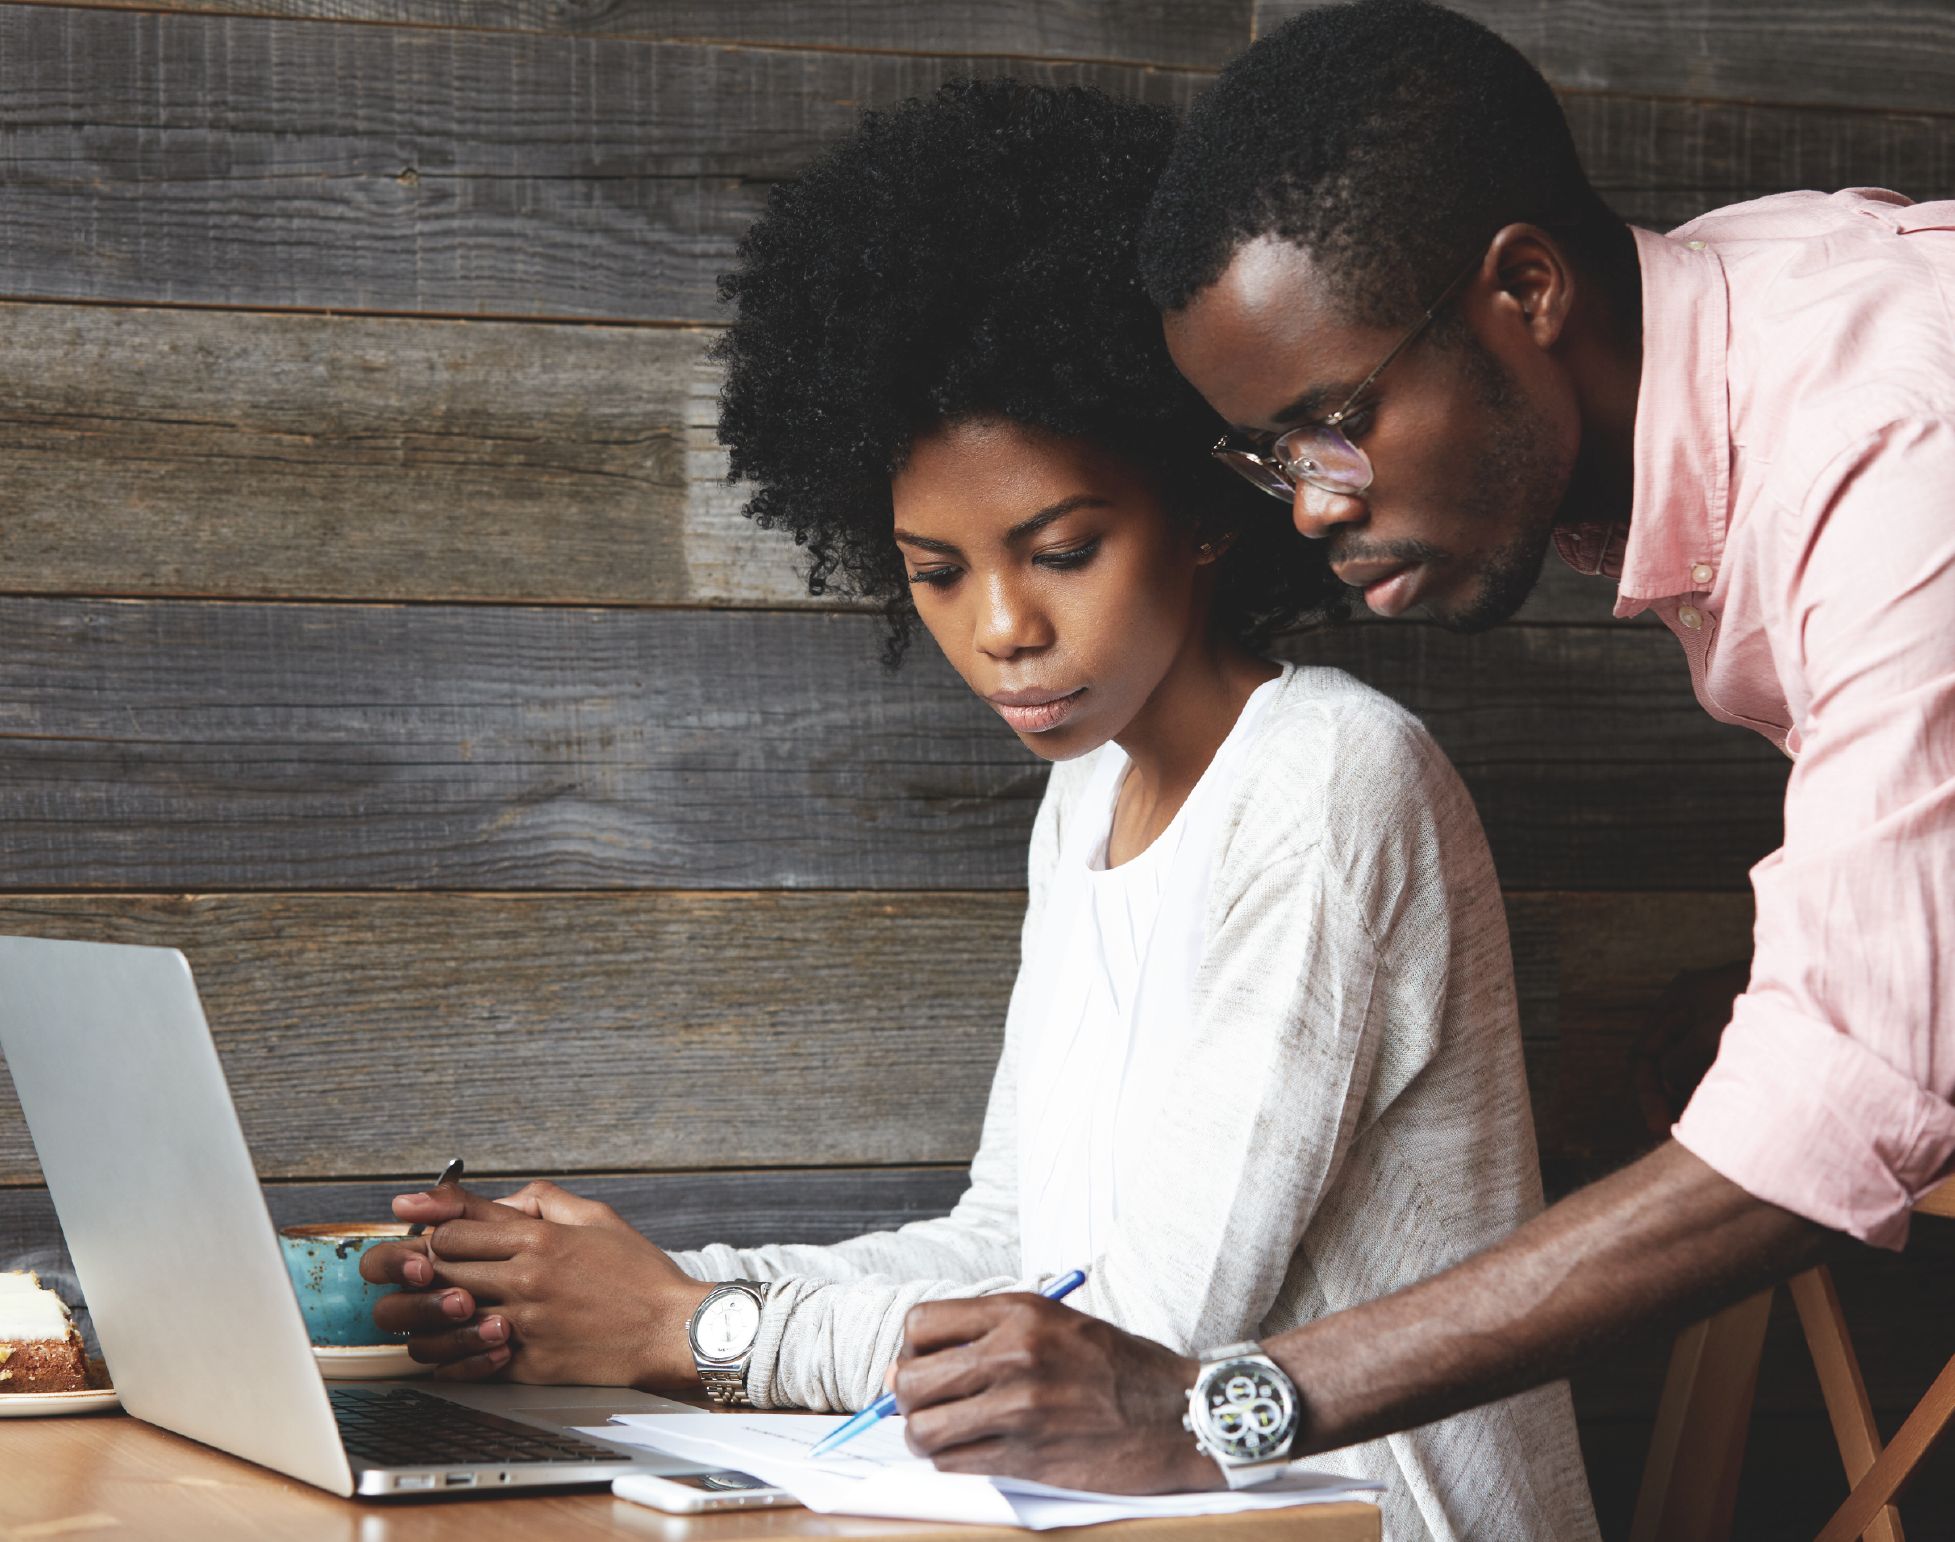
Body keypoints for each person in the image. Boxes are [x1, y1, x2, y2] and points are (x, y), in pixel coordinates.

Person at [358, 77, 1599, 1538]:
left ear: (1209, 513)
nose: (1000, 625)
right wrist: (587, 1286)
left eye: (1060, 549)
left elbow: (1127, 1343)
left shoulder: (1332, 778)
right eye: (935, 572)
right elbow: (1015, 1247)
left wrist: (690, 1327)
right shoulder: (1085, 797)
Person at [885, 0, 1955, 1499]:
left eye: (1334, 422)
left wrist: (1224, 1403)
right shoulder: (1727, 340)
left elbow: (1838, 1103)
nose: (1311, 507)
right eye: (1270, 456)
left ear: (1525, 288)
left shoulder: (1891, 445)